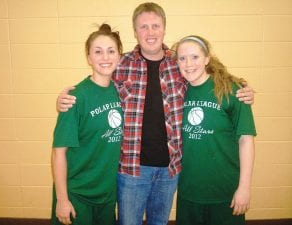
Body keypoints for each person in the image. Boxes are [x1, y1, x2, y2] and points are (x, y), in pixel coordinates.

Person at [56, 3, 255, 225]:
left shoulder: (179, 62)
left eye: (155, 26)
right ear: (135, 32)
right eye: (143, 27)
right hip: (132, 170)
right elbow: (98, 78)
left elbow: (207, 76)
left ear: (164, 28)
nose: (150, 32)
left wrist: (241, 90)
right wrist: (66, 96)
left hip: (169, 170)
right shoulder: (121, 64)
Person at [173, 35, 256, 225]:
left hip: (225, 193)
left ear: (207, 59)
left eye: (195, 57)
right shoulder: (177, 92)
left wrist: (244, 187)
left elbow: (246, 140)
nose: (188, 64)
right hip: (189, 192)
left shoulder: (232, 91)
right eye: (182, 58)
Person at [51, 24, 123, 225]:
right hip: (77, 195)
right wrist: (62, 200)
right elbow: (59, 153)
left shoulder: (124, 92)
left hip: (107, 195)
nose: (105, 57)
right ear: (89, 58)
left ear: (119, 56)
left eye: (111, 51)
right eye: (98, 52)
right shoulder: (75, 98)